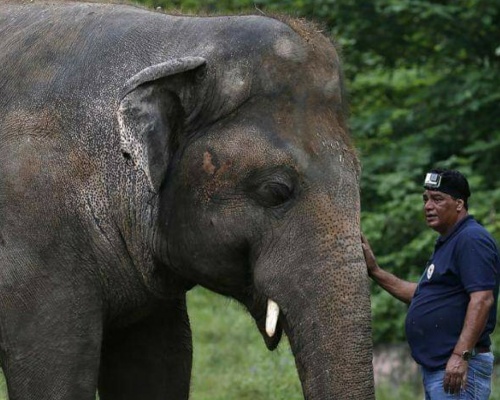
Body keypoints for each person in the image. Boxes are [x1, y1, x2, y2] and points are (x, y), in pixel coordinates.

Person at [362, 169, 500, 399]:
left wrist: (459, 356)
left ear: (459, 204)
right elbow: (423, 294)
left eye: (437, 199)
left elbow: (482, 299)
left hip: (459, 369)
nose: (428, 206)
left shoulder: (471, 239)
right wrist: (375, 271)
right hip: (441, 369)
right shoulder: (448, 241)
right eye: (425, 199)